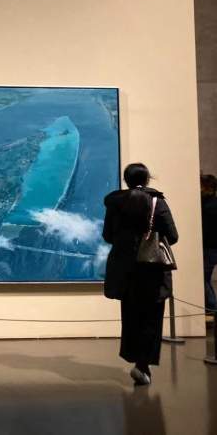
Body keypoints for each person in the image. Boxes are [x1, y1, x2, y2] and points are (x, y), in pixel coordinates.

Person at [103, 163, 178, 386]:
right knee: (152, 318)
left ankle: (135, 358)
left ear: (126, 180)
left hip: (125, 269)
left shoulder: (115, 203)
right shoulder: (157, 202)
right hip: (152, 269)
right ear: (147, 179)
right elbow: (173, 236)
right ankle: (143, 366)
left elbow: (108, 236)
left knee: (131, 316)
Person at [201, 174, 217, 311]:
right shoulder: (209, 203)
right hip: (211, 247)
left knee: (204, 278)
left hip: (210, 247)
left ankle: (212, 307)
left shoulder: (208, 205)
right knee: (205, 278)